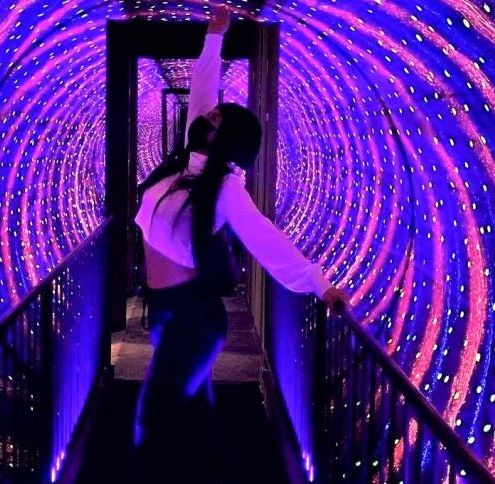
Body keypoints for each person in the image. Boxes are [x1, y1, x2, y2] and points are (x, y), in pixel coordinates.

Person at [130, 5, 350, 483]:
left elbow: (268, 242)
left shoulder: (227, 190)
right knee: (193, 415)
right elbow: (203, 94)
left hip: (193, 318)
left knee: (152, 418)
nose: (206, 113)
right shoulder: (185, 166)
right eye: (210, 113)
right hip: (166, 312)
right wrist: (214, 37)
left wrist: (319, 284)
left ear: (223, 137)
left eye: (214, 117)